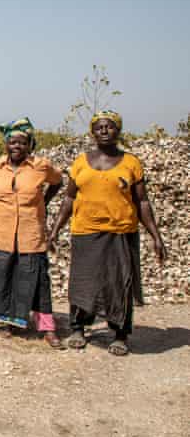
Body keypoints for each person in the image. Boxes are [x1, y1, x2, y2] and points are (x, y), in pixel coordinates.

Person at [48, 111, 167, 356]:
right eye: (99, 127)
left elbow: (142, 202)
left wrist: (156, 236)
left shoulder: (131, 163)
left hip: (120, 232)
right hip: (86, 231)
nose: (104, 130)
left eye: (110, 127)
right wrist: (55, 229)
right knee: (83, 282)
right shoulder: (81, 162)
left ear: (118, 131)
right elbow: (70, 197)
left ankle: (120, 333)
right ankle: (79, 327)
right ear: (93, 132)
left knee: (119, 284)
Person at [0, 118, 63, 348]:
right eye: (12, 142)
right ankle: (11, 321)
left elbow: (58, 181)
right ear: (6, 144)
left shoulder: (41, 166)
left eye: (22, 143)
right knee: (6, 276)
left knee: (37, 279)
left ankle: (47, 327)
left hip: (30, 231)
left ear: (30, 145)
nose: (16, 146)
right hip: (2, 230)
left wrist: (44, 202)